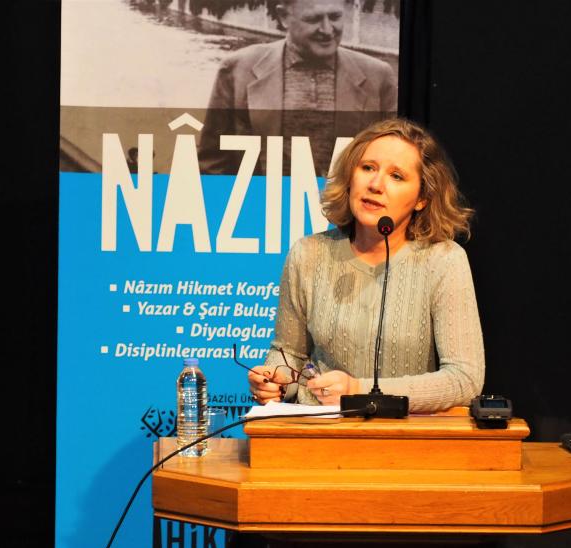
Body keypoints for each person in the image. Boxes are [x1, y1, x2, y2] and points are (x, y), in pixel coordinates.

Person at [246, 118, 485, 413]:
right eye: (368, 168)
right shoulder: (309, 254)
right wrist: (276, 381)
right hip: (321, 429)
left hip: (405, 433)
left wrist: (359, 392)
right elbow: (289, 353)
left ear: (422, 198)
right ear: (351, 176)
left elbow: (464, 379)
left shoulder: (443, 261)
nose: (375, 184)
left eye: (396, 176)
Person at [198, 0, 398, 175]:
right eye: (314, 19)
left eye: (335, 17)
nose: (327, 30)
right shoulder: (236, 70)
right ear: (284, 17)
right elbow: (213, 164)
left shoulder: (378, 76)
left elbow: (395, 161)